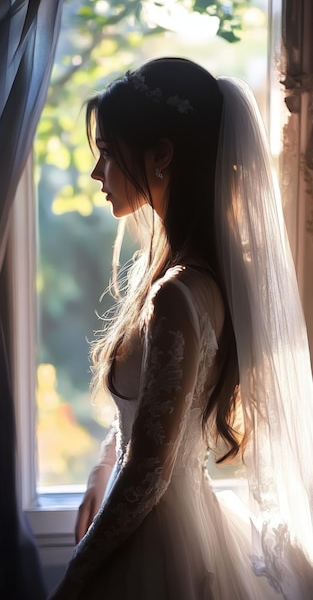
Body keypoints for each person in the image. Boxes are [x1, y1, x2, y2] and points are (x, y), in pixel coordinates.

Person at [49, 58, 313, 600]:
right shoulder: (201, 278)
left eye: (107, 152)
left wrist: (76, 574)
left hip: (157, 546)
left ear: (161, 155)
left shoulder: (176, 294)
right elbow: (158, 416)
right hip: (185, 523)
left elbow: (149, 467)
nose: (98, 173)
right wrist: (104, 466)